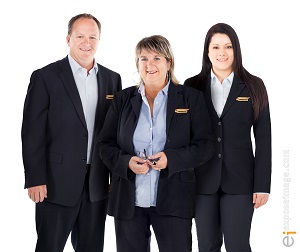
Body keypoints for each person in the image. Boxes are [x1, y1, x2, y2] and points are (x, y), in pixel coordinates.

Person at [97, 35, 214, 252]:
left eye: (156, 58)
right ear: (137, 64)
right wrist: (126, 162)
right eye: (143, 59)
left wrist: (171, 159)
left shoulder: (190, 98)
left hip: (174, 200)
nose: (149, 65)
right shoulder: (122, 100)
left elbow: (205, 145)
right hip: (129, 202)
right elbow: (104, 144)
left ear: (169, 62)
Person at [21, 13, 122, 252]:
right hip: (55, 184)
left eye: (92, 37)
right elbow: (32, 132)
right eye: (80, 36)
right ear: (68, 39)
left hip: (97, 185)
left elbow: (115, 134)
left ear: (99, 40)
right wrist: (35, 178)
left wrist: (113, 177)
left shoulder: (112, 79)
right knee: (49, 246)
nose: (86, 42)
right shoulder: (45, 77)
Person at [184, 23, 272, 252]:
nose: (222, 52)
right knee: (207, 245)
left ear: (236, 50)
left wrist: (262, 186)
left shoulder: (254, 86)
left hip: (241, 182)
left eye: (228, 46)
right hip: (202, 180)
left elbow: (263, 139)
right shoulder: (192, 86)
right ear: (207, 51)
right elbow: (184, 137)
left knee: (238, 245)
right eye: (215, 47)